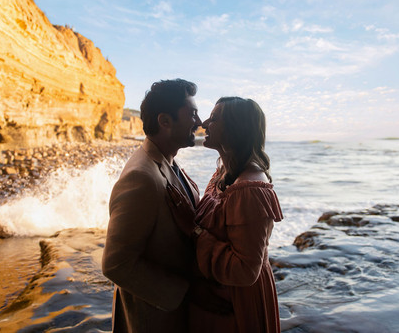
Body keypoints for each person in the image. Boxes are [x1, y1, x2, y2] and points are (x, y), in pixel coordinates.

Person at [168, 96, 283, 333]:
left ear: (235, 128)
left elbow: (245, 270)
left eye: (215, 118)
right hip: (216, 295)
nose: (204, 123)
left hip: (235, 303)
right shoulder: (224, 172)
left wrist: (195, 230)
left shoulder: (249, 190)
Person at [102, 79, 203, 332]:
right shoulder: (142, 177)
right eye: (192, 114)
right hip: (155, 320)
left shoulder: (166, 159)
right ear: (165, 121)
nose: (199, 122)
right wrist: (188, 294)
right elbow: (116, 263)